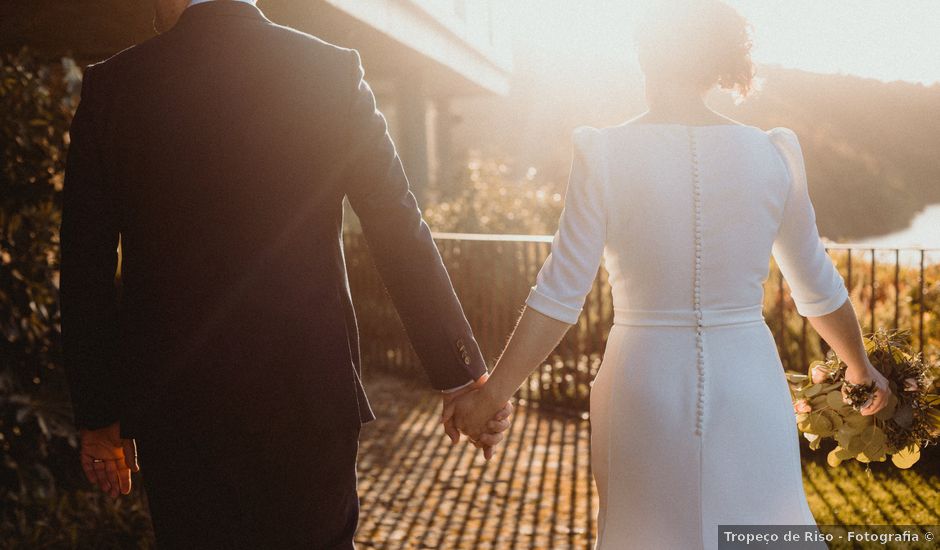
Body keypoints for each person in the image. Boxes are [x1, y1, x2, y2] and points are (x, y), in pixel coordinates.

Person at [59, 0, 511, 547]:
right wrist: (460, 376)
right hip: (309, 397)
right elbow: (398, 227)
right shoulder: (330, 71)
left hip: (178, 411)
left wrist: (100, 415)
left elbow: (84, 266)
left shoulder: (115, 86)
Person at [444, 1, 892, 548]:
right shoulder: (774, 153)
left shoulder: (603, 153)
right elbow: (817, 287)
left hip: (641, 380)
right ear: (717, 62)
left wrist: (492, 396)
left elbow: (561, 292)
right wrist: (861, 370)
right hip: (748, 379)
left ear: (645, 55)